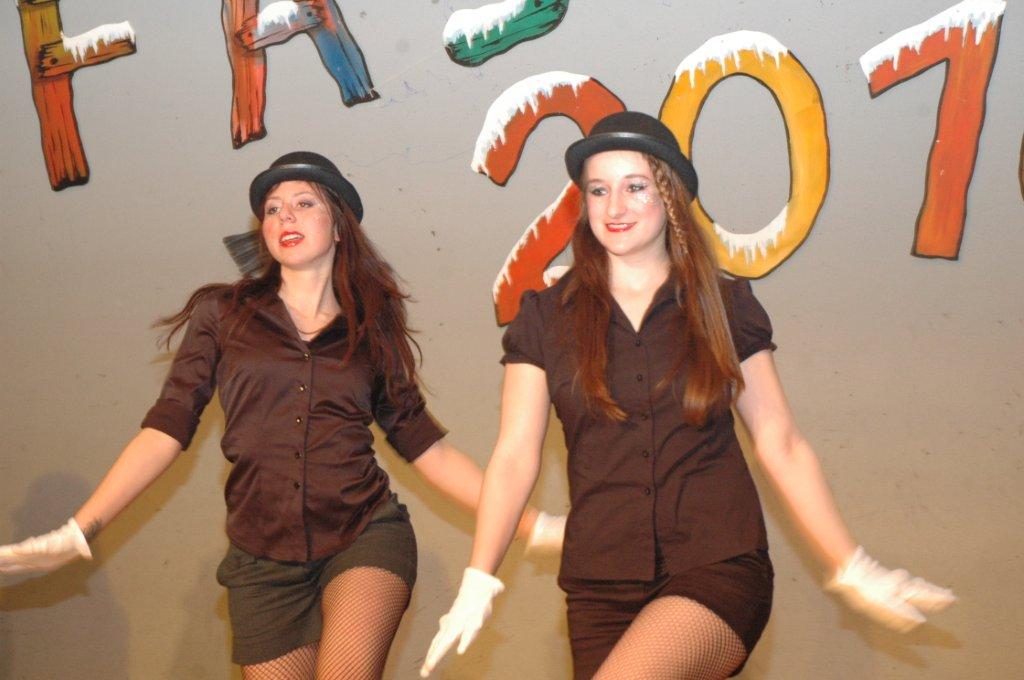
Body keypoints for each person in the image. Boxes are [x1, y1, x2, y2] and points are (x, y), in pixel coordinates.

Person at [420, 112, 956, 679]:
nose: (614, 207)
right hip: (599, 584)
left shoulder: (726, 306)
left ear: (670, 196)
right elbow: (514, 456)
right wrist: (479, 577)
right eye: (598, 190)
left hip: (716, 565)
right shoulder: (545, 318)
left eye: (635, 187)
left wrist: (851, 563)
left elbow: (780, 441)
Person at [0, 151, 564, 680]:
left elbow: (426, 448)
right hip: (261, 563)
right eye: (272, 209)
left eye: (303, 203)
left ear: (338, 225)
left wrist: (530, 523)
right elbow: (164, 429)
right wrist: (78, 531)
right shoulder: (223, 314)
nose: (284, 216)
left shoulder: (372, 324)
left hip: (364, 535)